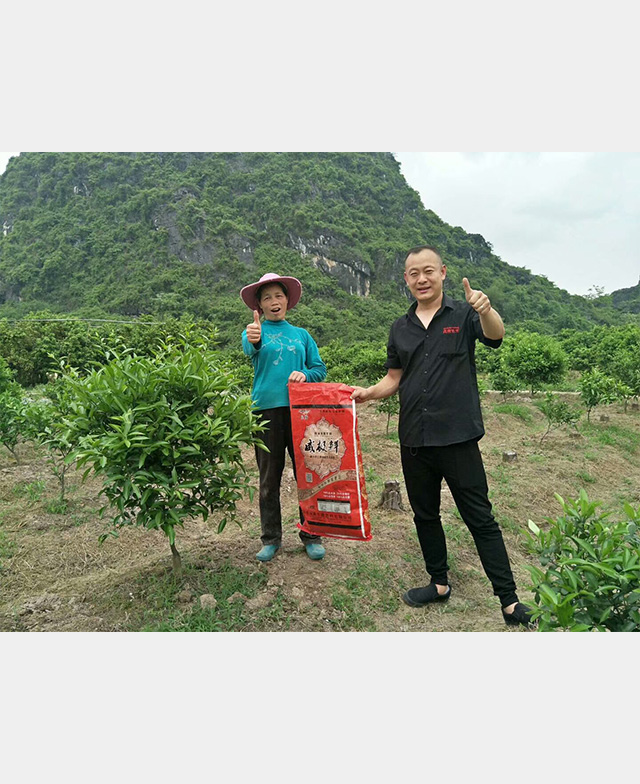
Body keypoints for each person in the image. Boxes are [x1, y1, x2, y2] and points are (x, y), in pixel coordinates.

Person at [351, 245, 533, 627]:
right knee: (425, 514)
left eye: (428, 270)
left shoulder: (465, 313)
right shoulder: (400, 327)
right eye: (414, 273)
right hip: (415, 438)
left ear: (443, 272)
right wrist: (368, 393)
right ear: (406, 279)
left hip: (458, 437)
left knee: (480, 518)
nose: (422, 278)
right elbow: (394, 378)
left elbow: (495, 336)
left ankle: (510, 601)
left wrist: (485, 309)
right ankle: (438, 583)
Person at [241, 272, 328, 562]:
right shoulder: (255, 331)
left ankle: (311, 534)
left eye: (278, 295)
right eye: (267, 298)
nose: (274, 301)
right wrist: (253, 337)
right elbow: (248, 345)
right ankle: (271, 538)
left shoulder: (302, 335)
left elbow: (319, 369)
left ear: (287, 300)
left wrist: (305, 374)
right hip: (265, 411)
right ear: (260, 306)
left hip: (301, 411)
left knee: (307, 473)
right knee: (269, 477)